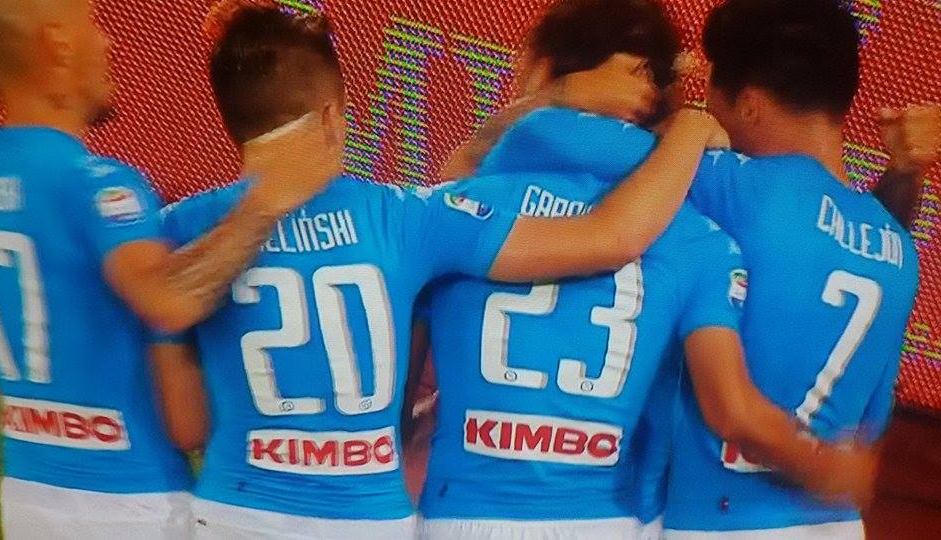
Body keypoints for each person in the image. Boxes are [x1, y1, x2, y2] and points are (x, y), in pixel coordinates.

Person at [147, 1, 729, 538]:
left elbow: (186, 425)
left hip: (235, 510)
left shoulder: (175, 230)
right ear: (332, 116)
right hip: (381, 520)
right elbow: (613, 236)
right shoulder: (406, 217)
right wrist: (690, 126)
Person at [459, 0, 922, 537]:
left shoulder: (730, 186)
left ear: (748, 105)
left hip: (715, 524)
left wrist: (566, 94)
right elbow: (868, 430)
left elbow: (533, 145)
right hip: (837, 523)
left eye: (712, 98)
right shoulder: (898, 247)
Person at [0, 0, 344, 537]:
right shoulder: (99, 185)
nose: (108, 43)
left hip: (27, 490)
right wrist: (269, 199)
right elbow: (169, 301)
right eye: (94, 26)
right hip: (128, 501)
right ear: (58, 46)